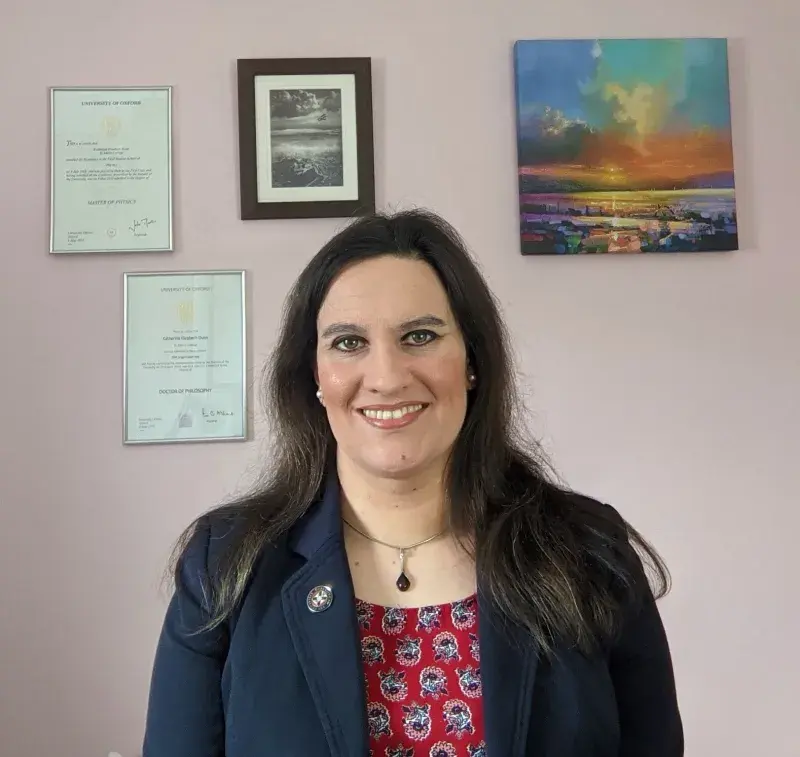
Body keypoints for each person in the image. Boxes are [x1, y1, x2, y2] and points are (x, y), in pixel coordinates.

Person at [142, 209, 683, 757]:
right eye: (349, 343)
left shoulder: (590, 553)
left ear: (472, 360)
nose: (387, 377)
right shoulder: (225, 564)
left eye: (419, 336)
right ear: (315, 376)